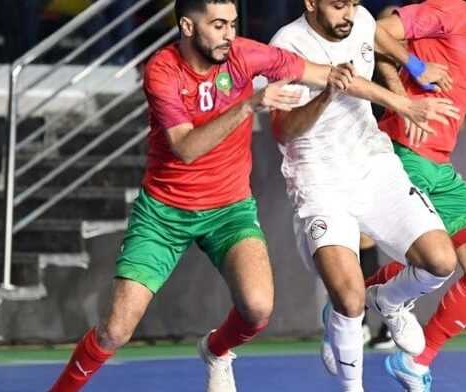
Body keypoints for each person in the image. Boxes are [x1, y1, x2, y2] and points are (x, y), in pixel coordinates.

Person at [46, 0, 400, 391]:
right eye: (218, 25)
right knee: (114, 331)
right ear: (186, 27)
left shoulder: (246, 54)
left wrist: (401, 100)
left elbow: (326, 74)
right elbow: (185, 148)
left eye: (232, 23)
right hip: (164, 214)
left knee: (258, 309)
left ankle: (216, 350)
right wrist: (249, 104)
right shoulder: (162, 71)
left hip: (229, 210)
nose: (229, 34)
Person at [269, 1, 463, 390]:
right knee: (349, 300)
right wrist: (323, 95)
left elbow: (375, 34)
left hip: (374, 167)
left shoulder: (359, 19)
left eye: (354, 4)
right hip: (319, 180)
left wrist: (415, 66)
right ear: (311, 3)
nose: (349, 14)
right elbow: (282, 131)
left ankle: (389, 300)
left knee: (441, 262)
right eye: (338, 5)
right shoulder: (287, 46)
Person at [364, 0, 466, 390]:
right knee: (431, 261)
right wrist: (406, 91)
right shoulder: (453, 12)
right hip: (404, 153)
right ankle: (357, 299)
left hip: (440, 167)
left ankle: (414, 361)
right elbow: (375, 31)